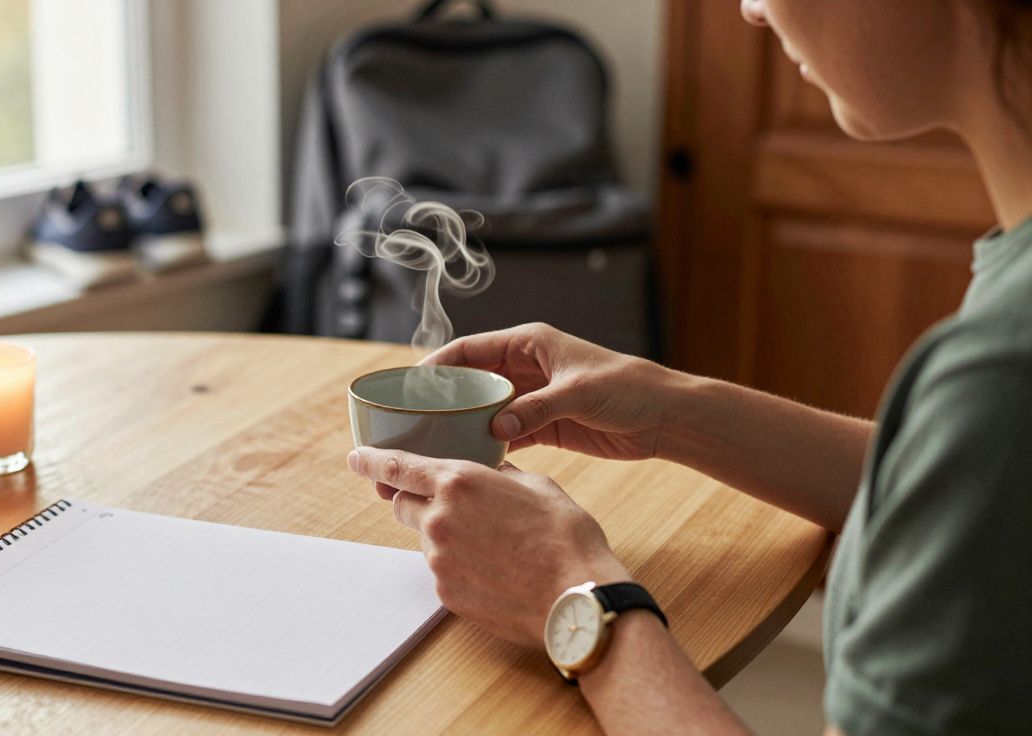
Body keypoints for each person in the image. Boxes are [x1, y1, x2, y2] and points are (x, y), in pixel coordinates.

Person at [345, 0, 1032, 733]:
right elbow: (969, 491)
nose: (752, 9)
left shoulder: (1001, 371)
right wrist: (670, 407)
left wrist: (575, 597)